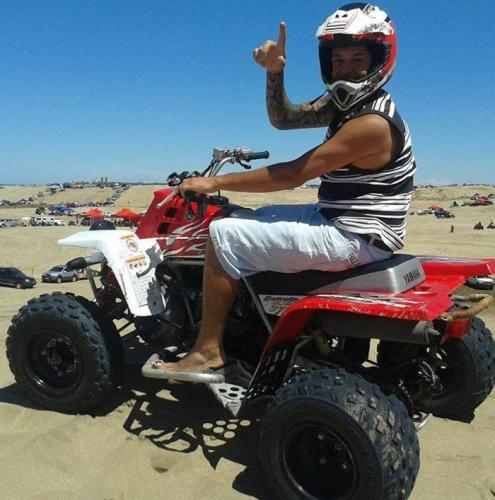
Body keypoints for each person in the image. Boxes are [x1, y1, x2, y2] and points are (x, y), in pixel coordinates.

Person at [152, 3, 417, 379]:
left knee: (221, 234)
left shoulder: (371, 122)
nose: (345, 68)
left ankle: (207, 350)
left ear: (378, 60)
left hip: (352, 236)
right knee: (243, 216)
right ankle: (255, 320)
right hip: (346, 222)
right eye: (337, 60)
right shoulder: (350, 104)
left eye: (357, 59)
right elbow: (284, 119)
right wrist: (274, 72)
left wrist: (214, 182)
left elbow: (292, 174)